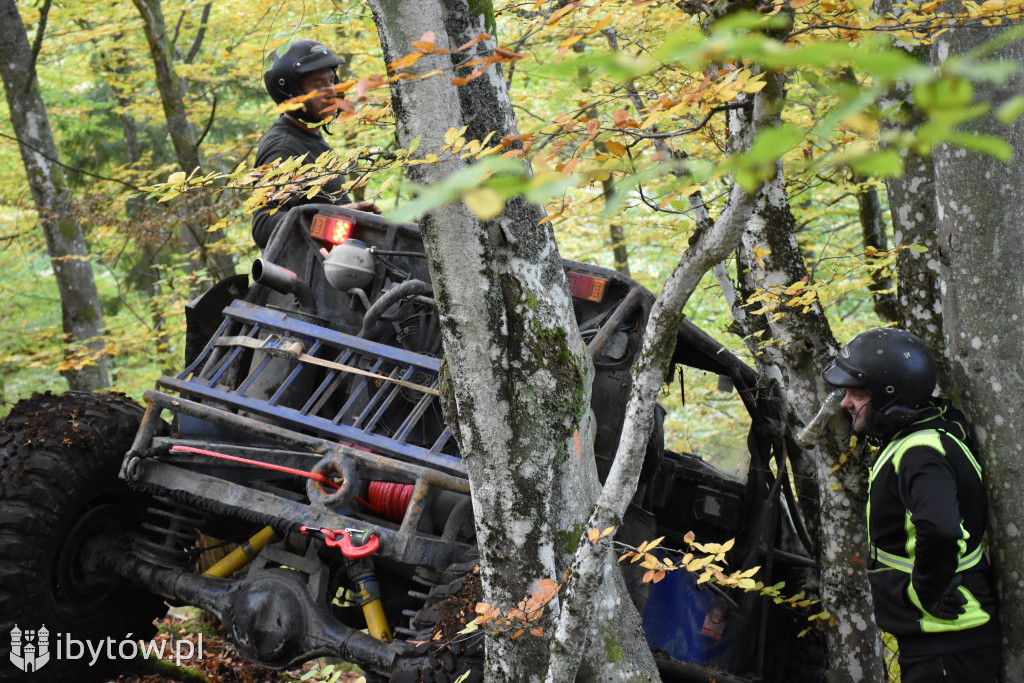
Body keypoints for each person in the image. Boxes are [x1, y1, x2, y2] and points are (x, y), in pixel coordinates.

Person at [821, 328, 1000, 682]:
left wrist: (928, 591)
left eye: (857, 393)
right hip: (941, 640)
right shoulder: (927, 434)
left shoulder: (920, 452)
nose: (846, 403)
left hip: (948, 641)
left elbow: (940, 528)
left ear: (891, 395)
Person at [253, 39, 378, 249]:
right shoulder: (283, 146)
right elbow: (263, 225)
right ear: (292, 95)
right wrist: (334, 218)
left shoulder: (311, 140)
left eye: (331, 81)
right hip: (302, 279)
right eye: (319, 85)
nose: (331, 91)